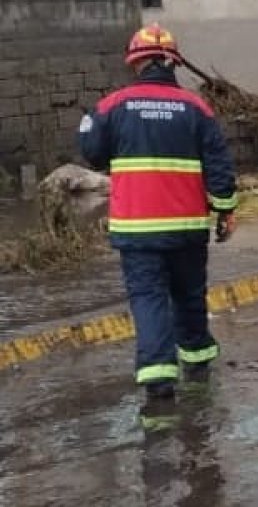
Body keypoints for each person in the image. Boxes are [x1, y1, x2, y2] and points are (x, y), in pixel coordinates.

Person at [79, 23, 238, 400]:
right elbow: (219, 164)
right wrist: (226, 210)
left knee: (148, 297)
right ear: (172, 64)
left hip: (137, 228)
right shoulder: (197, 107)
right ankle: (197, 357)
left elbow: (92, 150)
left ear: (136, 63)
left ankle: (158, 376)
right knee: (189, 293)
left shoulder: (113, 105)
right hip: (186, 226)